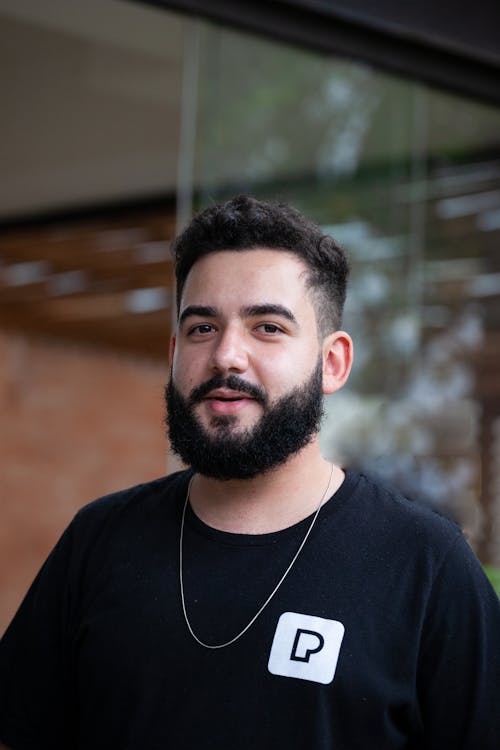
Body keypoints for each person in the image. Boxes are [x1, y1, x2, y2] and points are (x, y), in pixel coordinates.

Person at [1, 195, 499, 750]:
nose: (226, 357)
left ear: (331, 363)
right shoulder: (98, 541)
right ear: (173, 352)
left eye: (267, 327)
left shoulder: (426, 564)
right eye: (201, 328)